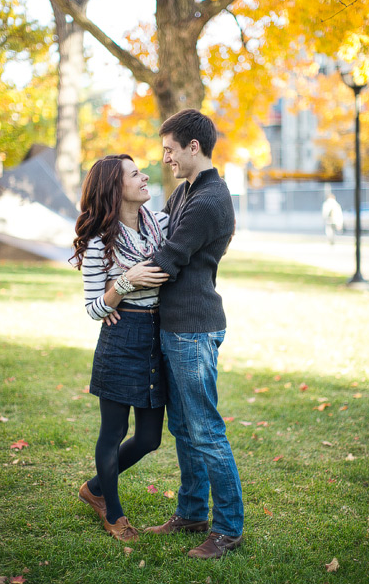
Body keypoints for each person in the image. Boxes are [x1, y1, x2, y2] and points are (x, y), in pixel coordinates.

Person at [140, 109, 243, 560]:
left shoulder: (208, 201)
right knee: (184, 426)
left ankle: (228, 528)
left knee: (205, 430)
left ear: (193, 147)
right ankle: (191, 512)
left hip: (193, 329)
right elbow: (156, 236)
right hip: (178, 325)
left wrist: (115, 287)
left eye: (169, 150)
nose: (165, 159)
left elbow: (166, 261)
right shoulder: (186, 191)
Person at [71, 155, 170, 542]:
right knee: (113, 431)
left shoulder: (160, 223)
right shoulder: (100, 244)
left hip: (158, 334)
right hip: (121, 336)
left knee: (150, 439)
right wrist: (125, 282)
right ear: (116, 188)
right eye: (135, 174)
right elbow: (95, 307)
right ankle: (112, 512)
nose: (145, 176)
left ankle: (94, 487)